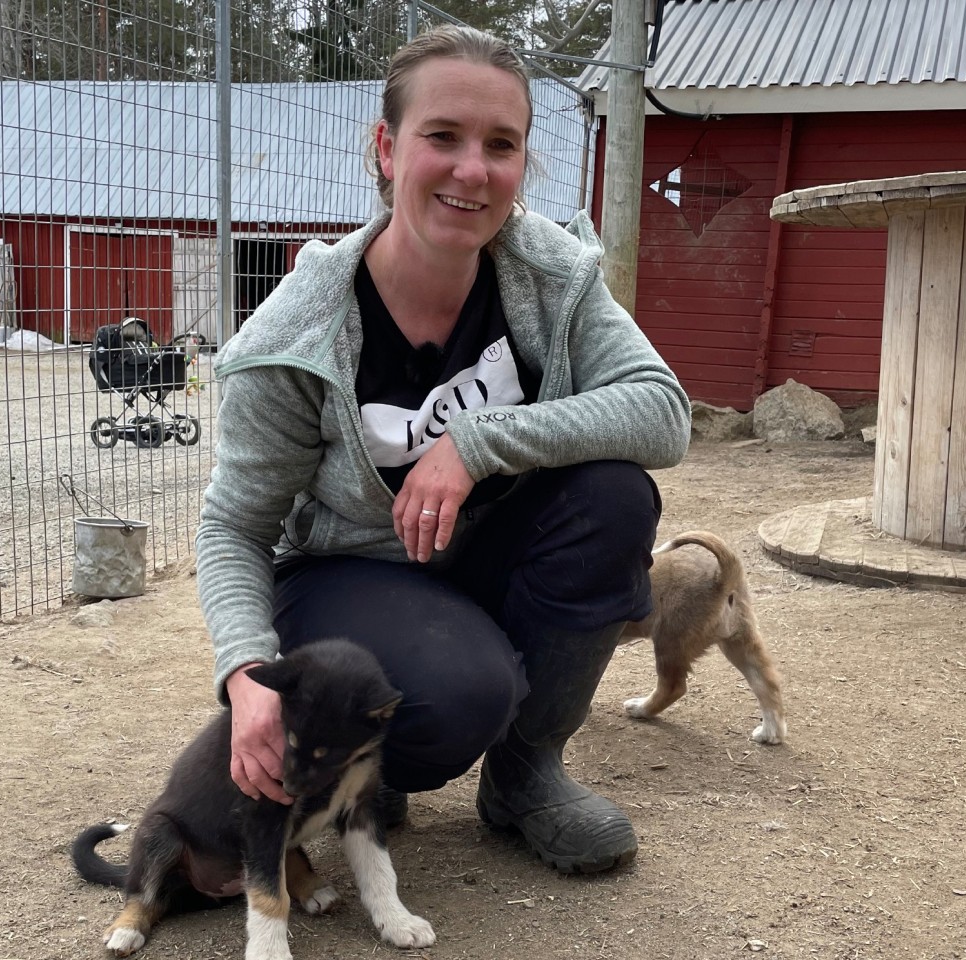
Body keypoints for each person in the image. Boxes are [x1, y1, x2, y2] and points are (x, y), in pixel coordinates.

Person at [196, 24, 691, 874]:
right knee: (458, 696)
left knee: (613, 496)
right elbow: (234, 529)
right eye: (442, 137)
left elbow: (661, 413)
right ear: (387, 149)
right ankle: (370, 758)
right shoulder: (295, 335)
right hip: (347, 573)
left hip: (482, 547)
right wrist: (245, 674)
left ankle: (526, 774)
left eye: (502, 145)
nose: (473, 170)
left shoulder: (550, 273)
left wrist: (477, 441)